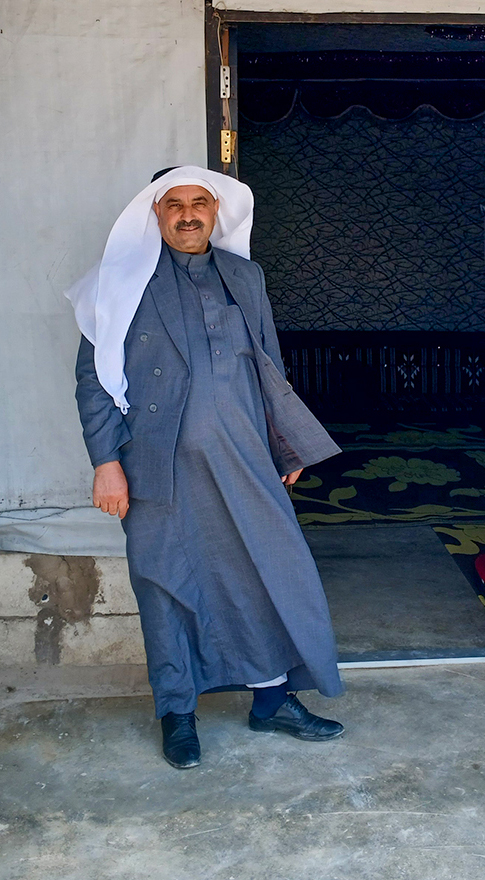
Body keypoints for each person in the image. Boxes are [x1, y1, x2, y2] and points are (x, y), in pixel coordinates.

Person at [66, 165, 344, 769]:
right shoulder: (119, 283)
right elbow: (94, 381)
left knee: (266, 574)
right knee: (167, 584)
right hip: (157, 466)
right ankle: (177, 713)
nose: (188, 214)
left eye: (200, 203)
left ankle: (272, 699)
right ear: (155, 212)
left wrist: (283, 444)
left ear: (216, 212)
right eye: (175, 204)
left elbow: (268, 365)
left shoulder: (245, 276)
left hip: (245, 459)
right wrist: (106, 462)